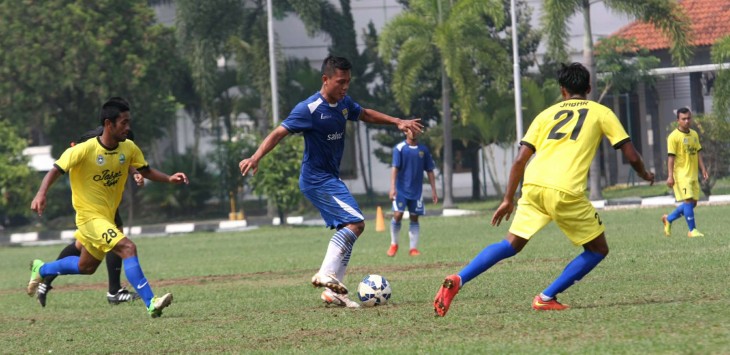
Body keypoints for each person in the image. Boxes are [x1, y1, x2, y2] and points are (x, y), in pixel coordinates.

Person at [433, 63, 655, 316]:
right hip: (565, 189)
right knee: (597, 249)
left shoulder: (545, 115)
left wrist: (508, 199)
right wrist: (645, 174)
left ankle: (459, 279)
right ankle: (546, 297)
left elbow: (519, 160)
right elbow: (631, 155)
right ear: (589, 88)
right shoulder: (601, 112)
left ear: (562, 91)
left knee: (511, 244)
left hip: (533, 184)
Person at [238, 55, 423, 308]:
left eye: (348, 82)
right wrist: (256, 156)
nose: (345, 87)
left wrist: (397, 121)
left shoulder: (344, 103)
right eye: (340, 82)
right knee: (356, 222)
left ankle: (333, 291)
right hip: (316, 179)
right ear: (326, 80)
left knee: (348, 227)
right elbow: (279, 132)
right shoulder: (309, 108)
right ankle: (326, 273)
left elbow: (365, 114)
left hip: (329, 178)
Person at [28, 97, 189, 318]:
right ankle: (151, 302)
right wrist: (41, 193)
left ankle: (42, 268)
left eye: (128, 122)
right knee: (128, 248)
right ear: (108, 124)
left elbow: (146, 170)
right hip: (89, 218)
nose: (127, 127)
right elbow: (56, 169)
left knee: (87, 266)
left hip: (107, 217)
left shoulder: (129, 148)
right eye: (123, 122)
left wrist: (169, 178)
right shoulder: (84, 150)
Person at [35, 125, 145, 308]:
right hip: (93, 200)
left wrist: (135, 173)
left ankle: (45, 280)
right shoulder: (97, 140)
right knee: (116, 238)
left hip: (106, 199)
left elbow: (127, 161)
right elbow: (75, 152)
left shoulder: (120, 145)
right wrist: (41, 193)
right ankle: (114, 291)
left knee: (81, 247)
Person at [387, 130, 438, 257]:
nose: (413, 132)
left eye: (416, 130)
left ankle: (413, 249)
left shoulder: (423, 150)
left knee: (414, 217)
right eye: (410, 129)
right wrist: (392, 187)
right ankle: (394, 244)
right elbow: (395, 169)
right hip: (401, 190)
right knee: (398, 215)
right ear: (405, 131)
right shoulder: (399, 149)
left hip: (417, 191)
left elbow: (430, 170)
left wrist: (434, 190)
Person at [661, 107, 708, 238]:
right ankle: (692, 230)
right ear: (678, 120)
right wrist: (670, 176)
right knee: (688, 201)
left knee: (693, 203)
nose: (687, 121)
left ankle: (668, 219)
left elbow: (698, 152)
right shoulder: (673, 137)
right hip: (681, 175)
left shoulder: (694, 134)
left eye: (688, 118)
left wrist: (703, 168)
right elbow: (670, 158)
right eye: (683, 119)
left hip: (692, 174)